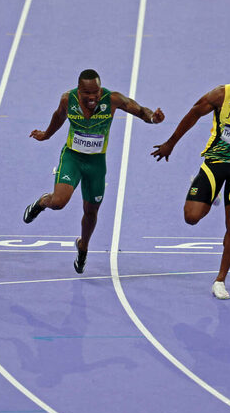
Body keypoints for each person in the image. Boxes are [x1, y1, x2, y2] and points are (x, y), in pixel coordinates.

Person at [152, 66, 230, 300]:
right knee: (191, 217)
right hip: (215, 163)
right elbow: (193, 114)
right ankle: (212, 194)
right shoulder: (222, 95)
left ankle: (220, 279)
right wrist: (171, 143)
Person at [23, 69, 164, 274]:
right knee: (59, 202)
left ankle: (83, 247)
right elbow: (58, 117)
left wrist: (153, 118)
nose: (92, 98)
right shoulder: (67, 99)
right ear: (78, 91)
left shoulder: (113, 99)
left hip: (96, 164)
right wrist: (46, 135)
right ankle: (43, 202)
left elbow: (141, 111)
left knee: (91, 212)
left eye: (96, 93)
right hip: (73, 158)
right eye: (87, 94)